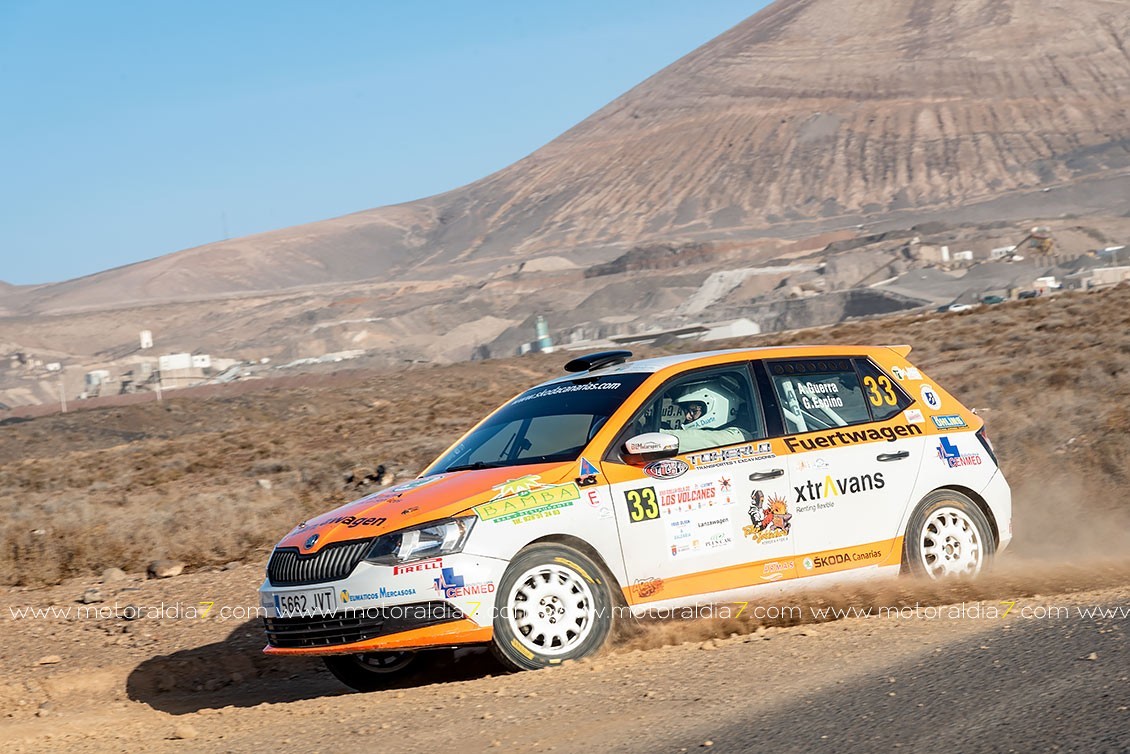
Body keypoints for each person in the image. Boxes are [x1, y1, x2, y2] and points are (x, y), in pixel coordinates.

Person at [667, 382, 752, 453]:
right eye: (686, 412)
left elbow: (691, 439)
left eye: (693, 411)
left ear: (715, 408)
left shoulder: (737, 437)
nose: (687, 416)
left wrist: (658, 436)